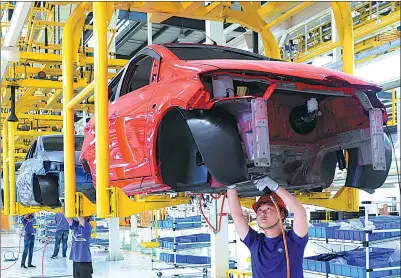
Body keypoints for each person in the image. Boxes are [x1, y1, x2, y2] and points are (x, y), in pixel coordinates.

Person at [227, 176, 309, 278]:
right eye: (260, 210)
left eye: (268, 209)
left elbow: (300, 213)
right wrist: (230, 185)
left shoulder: (294, 242)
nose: (262, 213)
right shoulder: (255, 243)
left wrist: (275, 187)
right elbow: (237, 215)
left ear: (282, 214)